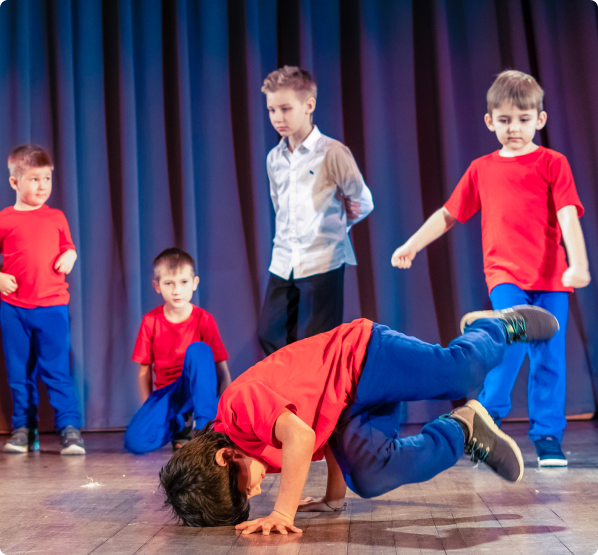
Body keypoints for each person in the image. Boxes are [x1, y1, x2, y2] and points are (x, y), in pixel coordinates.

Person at [159, 305, 559, 533]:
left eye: (243, 490)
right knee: (370, 478)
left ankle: (495, 326)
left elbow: (301, 438)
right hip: (348, 407)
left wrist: (282, 512)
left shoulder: (237, 409)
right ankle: (463, 429)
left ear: (225, 457)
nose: (255, 491)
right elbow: (324, 432)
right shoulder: (253, 452)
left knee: (460, 374)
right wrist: (334, 498)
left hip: (362, 356)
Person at [391, 70, 591, 467]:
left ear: (540, 119)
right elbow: (449, 214)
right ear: (489, 121)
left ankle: (547, 435)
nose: (514, 128)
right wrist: (412, 244)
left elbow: (568, 215)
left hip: (552, 280)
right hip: (506, 277)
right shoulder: (482, 169)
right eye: (504, 120)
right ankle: (487, 421)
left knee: (549, 357)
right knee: (508, 348)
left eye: (523, 119)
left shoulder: (553, 163)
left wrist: (579, 264)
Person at [257, 66, 374, 356]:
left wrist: (339, 224)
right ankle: (289, 386)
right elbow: (279, 205)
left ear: (309, 105)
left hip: (322, 260)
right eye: (272, 110)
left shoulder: (332, 152)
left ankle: (315, 388)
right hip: (284, 260)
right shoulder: (274, 158)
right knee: (270, 334)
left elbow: (362, 200)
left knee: (316, 344)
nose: (277, 117)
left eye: (285, 109)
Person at [0, 145, 85, 455]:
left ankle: (69, 428)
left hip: (51, 307)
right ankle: (24, 428)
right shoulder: (5, 219)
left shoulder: (56, 216)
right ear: (14, 182)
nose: (42, 186)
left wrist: (70, 255)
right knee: (19, 372)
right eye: (34, 179)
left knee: (57, 370)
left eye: (46, 179)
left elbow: (69, 246)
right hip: (14, 308)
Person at [124, 248, 232, 454]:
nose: (176, 290)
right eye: (169, 283)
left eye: (183, 282)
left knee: (199, 349)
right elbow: (144, 372)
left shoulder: (204, 319)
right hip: (169, 393)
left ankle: (204, 430)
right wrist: (150, 410)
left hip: (198, 391)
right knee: (135, 442)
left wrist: (224, 411)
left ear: (194, 283)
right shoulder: (150, 321)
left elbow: (222, 370)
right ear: (157, 286)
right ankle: (179, 425)